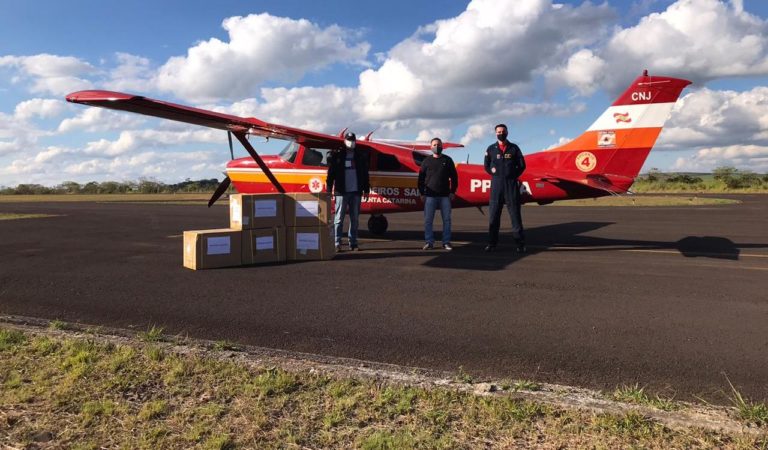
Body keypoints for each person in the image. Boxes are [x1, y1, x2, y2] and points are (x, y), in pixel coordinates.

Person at [484, 124, 526, 253]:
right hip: (496, 185)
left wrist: (512, 176)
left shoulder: (514, 148)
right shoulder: (491, 149)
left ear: (507, 132)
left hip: (511, 185)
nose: (501, 133)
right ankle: (492, 243)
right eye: (498, 132)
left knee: (515, 216)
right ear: (495, 133)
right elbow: (486, 165)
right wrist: (494, 173)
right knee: (494, 216)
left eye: (503, 131)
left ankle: (520, 244)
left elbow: (522, 165)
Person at [326, 132, 370, 251]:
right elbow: (331, 174)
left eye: (353, 140)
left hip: (356, 192)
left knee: (354, 219)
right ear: (345, 141)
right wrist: (329, 189)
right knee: (338, 219)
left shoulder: (360, 156)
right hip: (341, 192)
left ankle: (353, 243)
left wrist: (366, 190)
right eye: (349, 140)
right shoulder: (337, 156)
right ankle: (337, 243)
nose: (351, 142)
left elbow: (365, 174)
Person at [418, 137, 459, 250]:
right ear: (431, 147)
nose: (437, 147)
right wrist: (422, 193)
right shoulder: (426, 161)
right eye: (434, 145)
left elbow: (454, 177)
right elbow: (421, 178)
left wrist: (452, 191)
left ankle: (446, 242)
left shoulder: (448, 160)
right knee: (428, 220)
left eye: (439, 145)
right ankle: (429, 241)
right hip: (430, 196)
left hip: (445, 196)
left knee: (447, 220)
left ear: (442, 146)